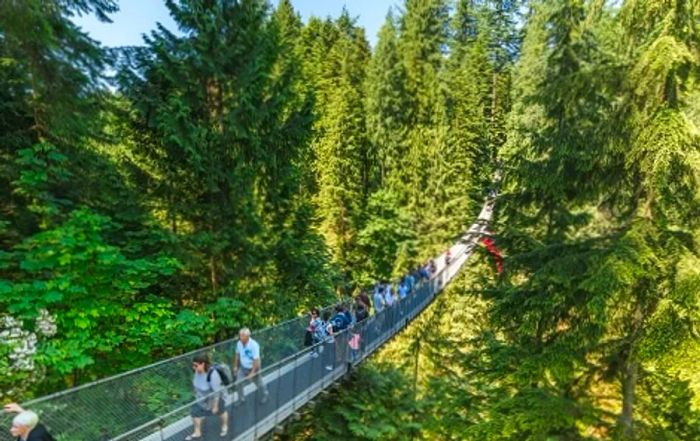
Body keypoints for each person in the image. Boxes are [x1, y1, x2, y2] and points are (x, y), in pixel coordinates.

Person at [186, 354, 228, 440]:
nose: (194, 367)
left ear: (203, 364)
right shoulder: (197, 372)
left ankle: (224, 426)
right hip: (202, 398)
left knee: (221, 411)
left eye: (196, 365)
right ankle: (197, 432)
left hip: (215, 398)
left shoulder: (212, 374)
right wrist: (195, 392)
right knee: (194, 412)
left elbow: (217, 391)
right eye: (193, 365)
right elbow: (196, 383)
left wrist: (215, 405)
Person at [233, 328, 269, 405]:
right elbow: (237, 354)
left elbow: (256, 360)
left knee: (258, 383)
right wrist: (235, 366)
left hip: (254, 367)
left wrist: (252, 373)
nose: (240, 337)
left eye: (242, 336)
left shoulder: (254, 345)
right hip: (243, 367)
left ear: (248, 336)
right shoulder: (239, 343)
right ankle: (241, 398)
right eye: (240, 335)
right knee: (238, 383)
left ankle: (265, 394)